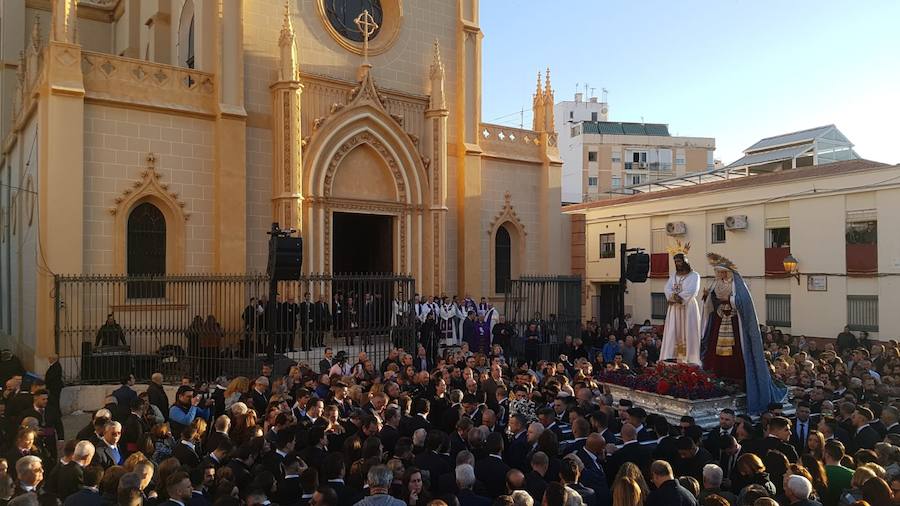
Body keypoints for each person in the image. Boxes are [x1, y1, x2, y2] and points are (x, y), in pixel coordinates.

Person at [700, 253, 787, 415]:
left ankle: (739, 382)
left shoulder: (737, 285)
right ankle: (715, 377)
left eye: (722, 271)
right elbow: (710, 304)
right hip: (719, 321)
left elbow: (744, 303)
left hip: (735, 323)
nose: (720, 274)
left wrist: (732, 301)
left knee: (738, 353)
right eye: (718, 272)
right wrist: (707, 299)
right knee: (714, 352)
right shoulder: (714, 285)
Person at [660, 242, 701, 365]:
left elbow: (692, 290)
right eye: (676, 262)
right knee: (674, 331)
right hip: (674, 308)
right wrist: (672, 297)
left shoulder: (694, 275)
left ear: (685, 261)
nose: (678, 264)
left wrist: (679, 298)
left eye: (680, 261)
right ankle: (675, 356)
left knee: (688, 330)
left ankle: (691, 357)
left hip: (688, 307)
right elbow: (667, 288)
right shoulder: (673, 275)